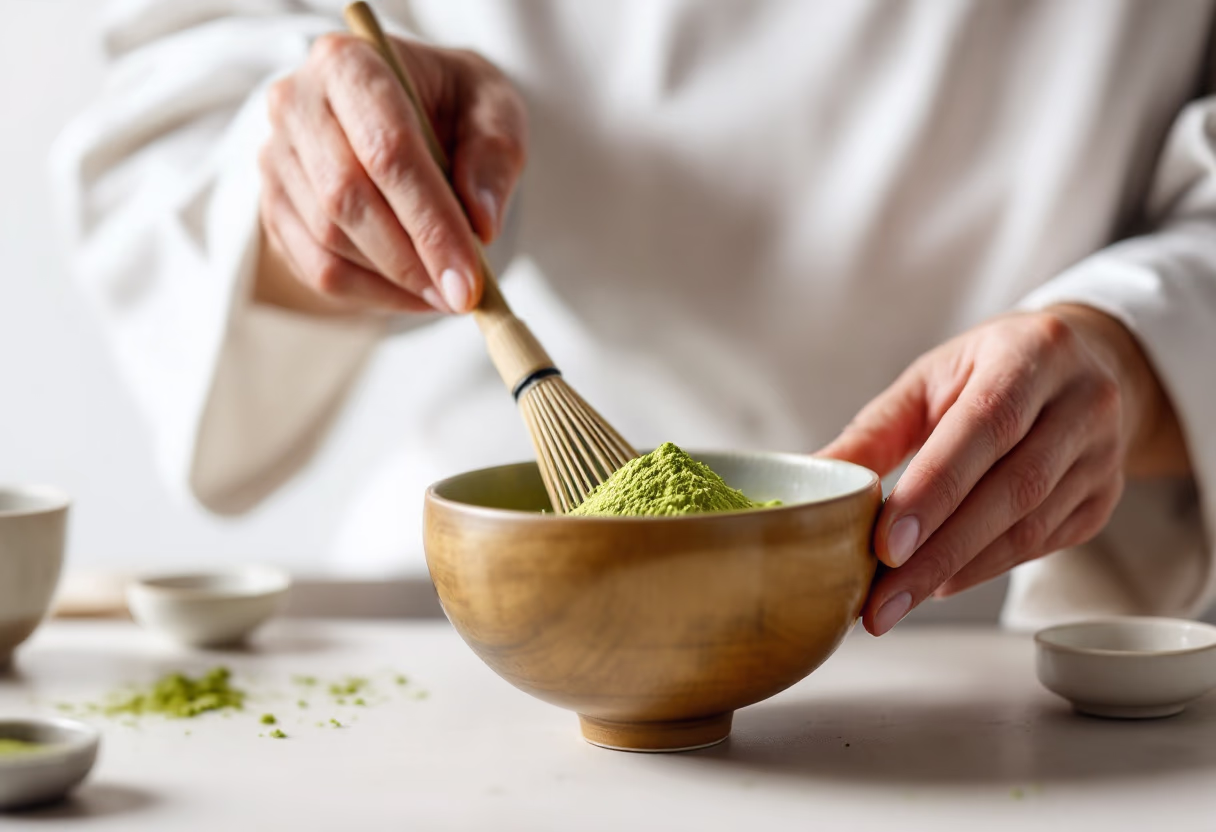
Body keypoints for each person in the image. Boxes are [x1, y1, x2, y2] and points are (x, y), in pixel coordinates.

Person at [53, 1, 1213, 635]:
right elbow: (185, 79)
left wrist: (1135, 348)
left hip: (1029, 581)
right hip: (509, 582)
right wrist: (324, 176)